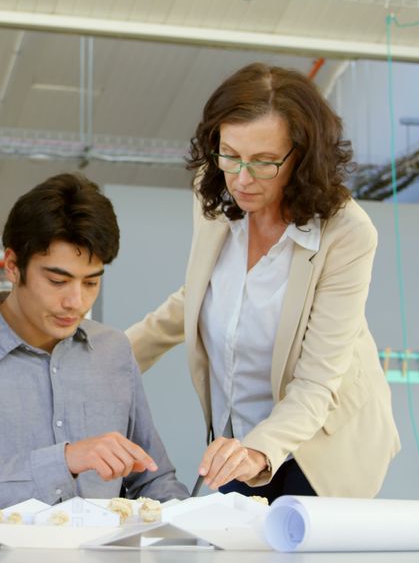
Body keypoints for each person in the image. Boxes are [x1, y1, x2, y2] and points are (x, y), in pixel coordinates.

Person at [126, 64, 400, 503]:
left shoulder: (346, 234)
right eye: (230, 154)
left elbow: (315, 385)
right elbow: (198, 297)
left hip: (325, 443)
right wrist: (111, 359)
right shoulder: (215, 192)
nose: (242, 178)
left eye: (264, 162)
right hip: (243, 440)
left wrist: (258, 450)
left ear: (302, 157)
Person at [0, 173, 189, 521]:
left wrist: (198, 523)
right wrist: (64, 461)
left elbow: (154, 482)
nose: (76, 302)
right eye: (57, 280)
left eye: (91, 282)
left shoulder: (113, 351)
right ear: (12, 265)